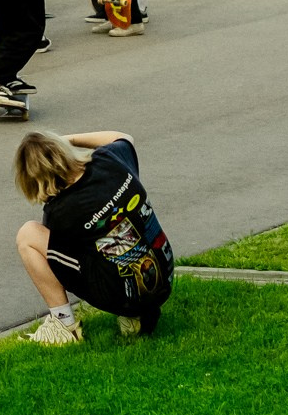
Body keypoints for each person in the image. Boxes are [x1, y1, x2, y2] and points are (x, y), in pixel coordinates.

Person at [12, 128, 174, 345]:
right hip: (165, 274)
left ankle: (63, 326)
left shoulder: (59, 211)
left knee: (28, 236)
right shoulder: (109, 159)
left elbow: (58, 259)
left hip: (124, 295)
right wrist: (69, 139)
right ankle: (137, 315)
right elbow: (124, 138)